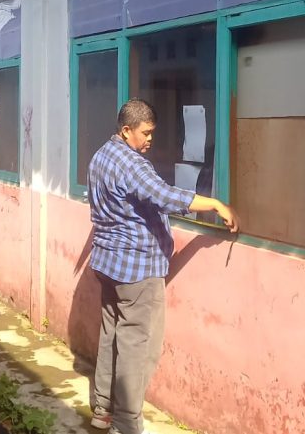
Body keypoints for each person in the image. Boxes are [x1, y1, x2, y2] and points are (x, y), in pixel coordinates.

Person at [87, 98, 239, 434]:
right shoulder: (132, 164)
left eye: (152, 132)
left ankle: (102, 408)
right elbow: (166, 197)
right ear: (126, 130)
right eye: (145, 133)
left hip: (108, 263)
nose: (150, 139)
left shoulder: (101, 155)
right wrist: (215, 204)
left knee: (111, 336)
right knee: (137, 346)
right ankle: (126, 423)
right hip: (137, 269)